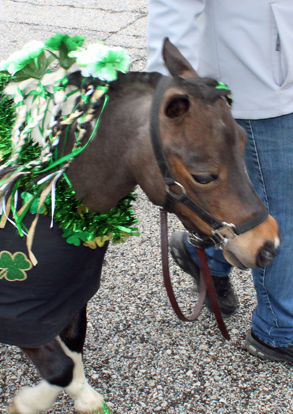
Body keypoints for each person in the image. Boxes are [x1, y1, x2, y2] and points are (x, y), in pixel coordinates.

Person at [147, 0, 293, 362]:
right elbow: (174, 6)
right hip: (255, 88)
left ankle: (208, 261)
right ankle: (279, 329)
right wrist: (161, 92)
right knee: (279, 209)